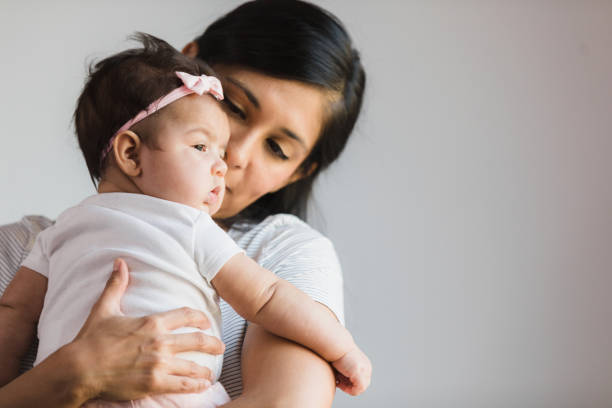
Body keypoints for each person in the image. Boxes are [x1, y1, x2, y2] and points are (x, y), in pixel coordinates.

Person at [0, 0, 366, 407]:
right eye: (231, 110)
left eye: (277, 148)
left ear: (300, 170)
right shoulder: (23, 242)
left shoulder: (283, 252)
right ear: (131, 153)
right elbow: (265, 300)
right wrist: (76, 372)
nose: (232, 157)